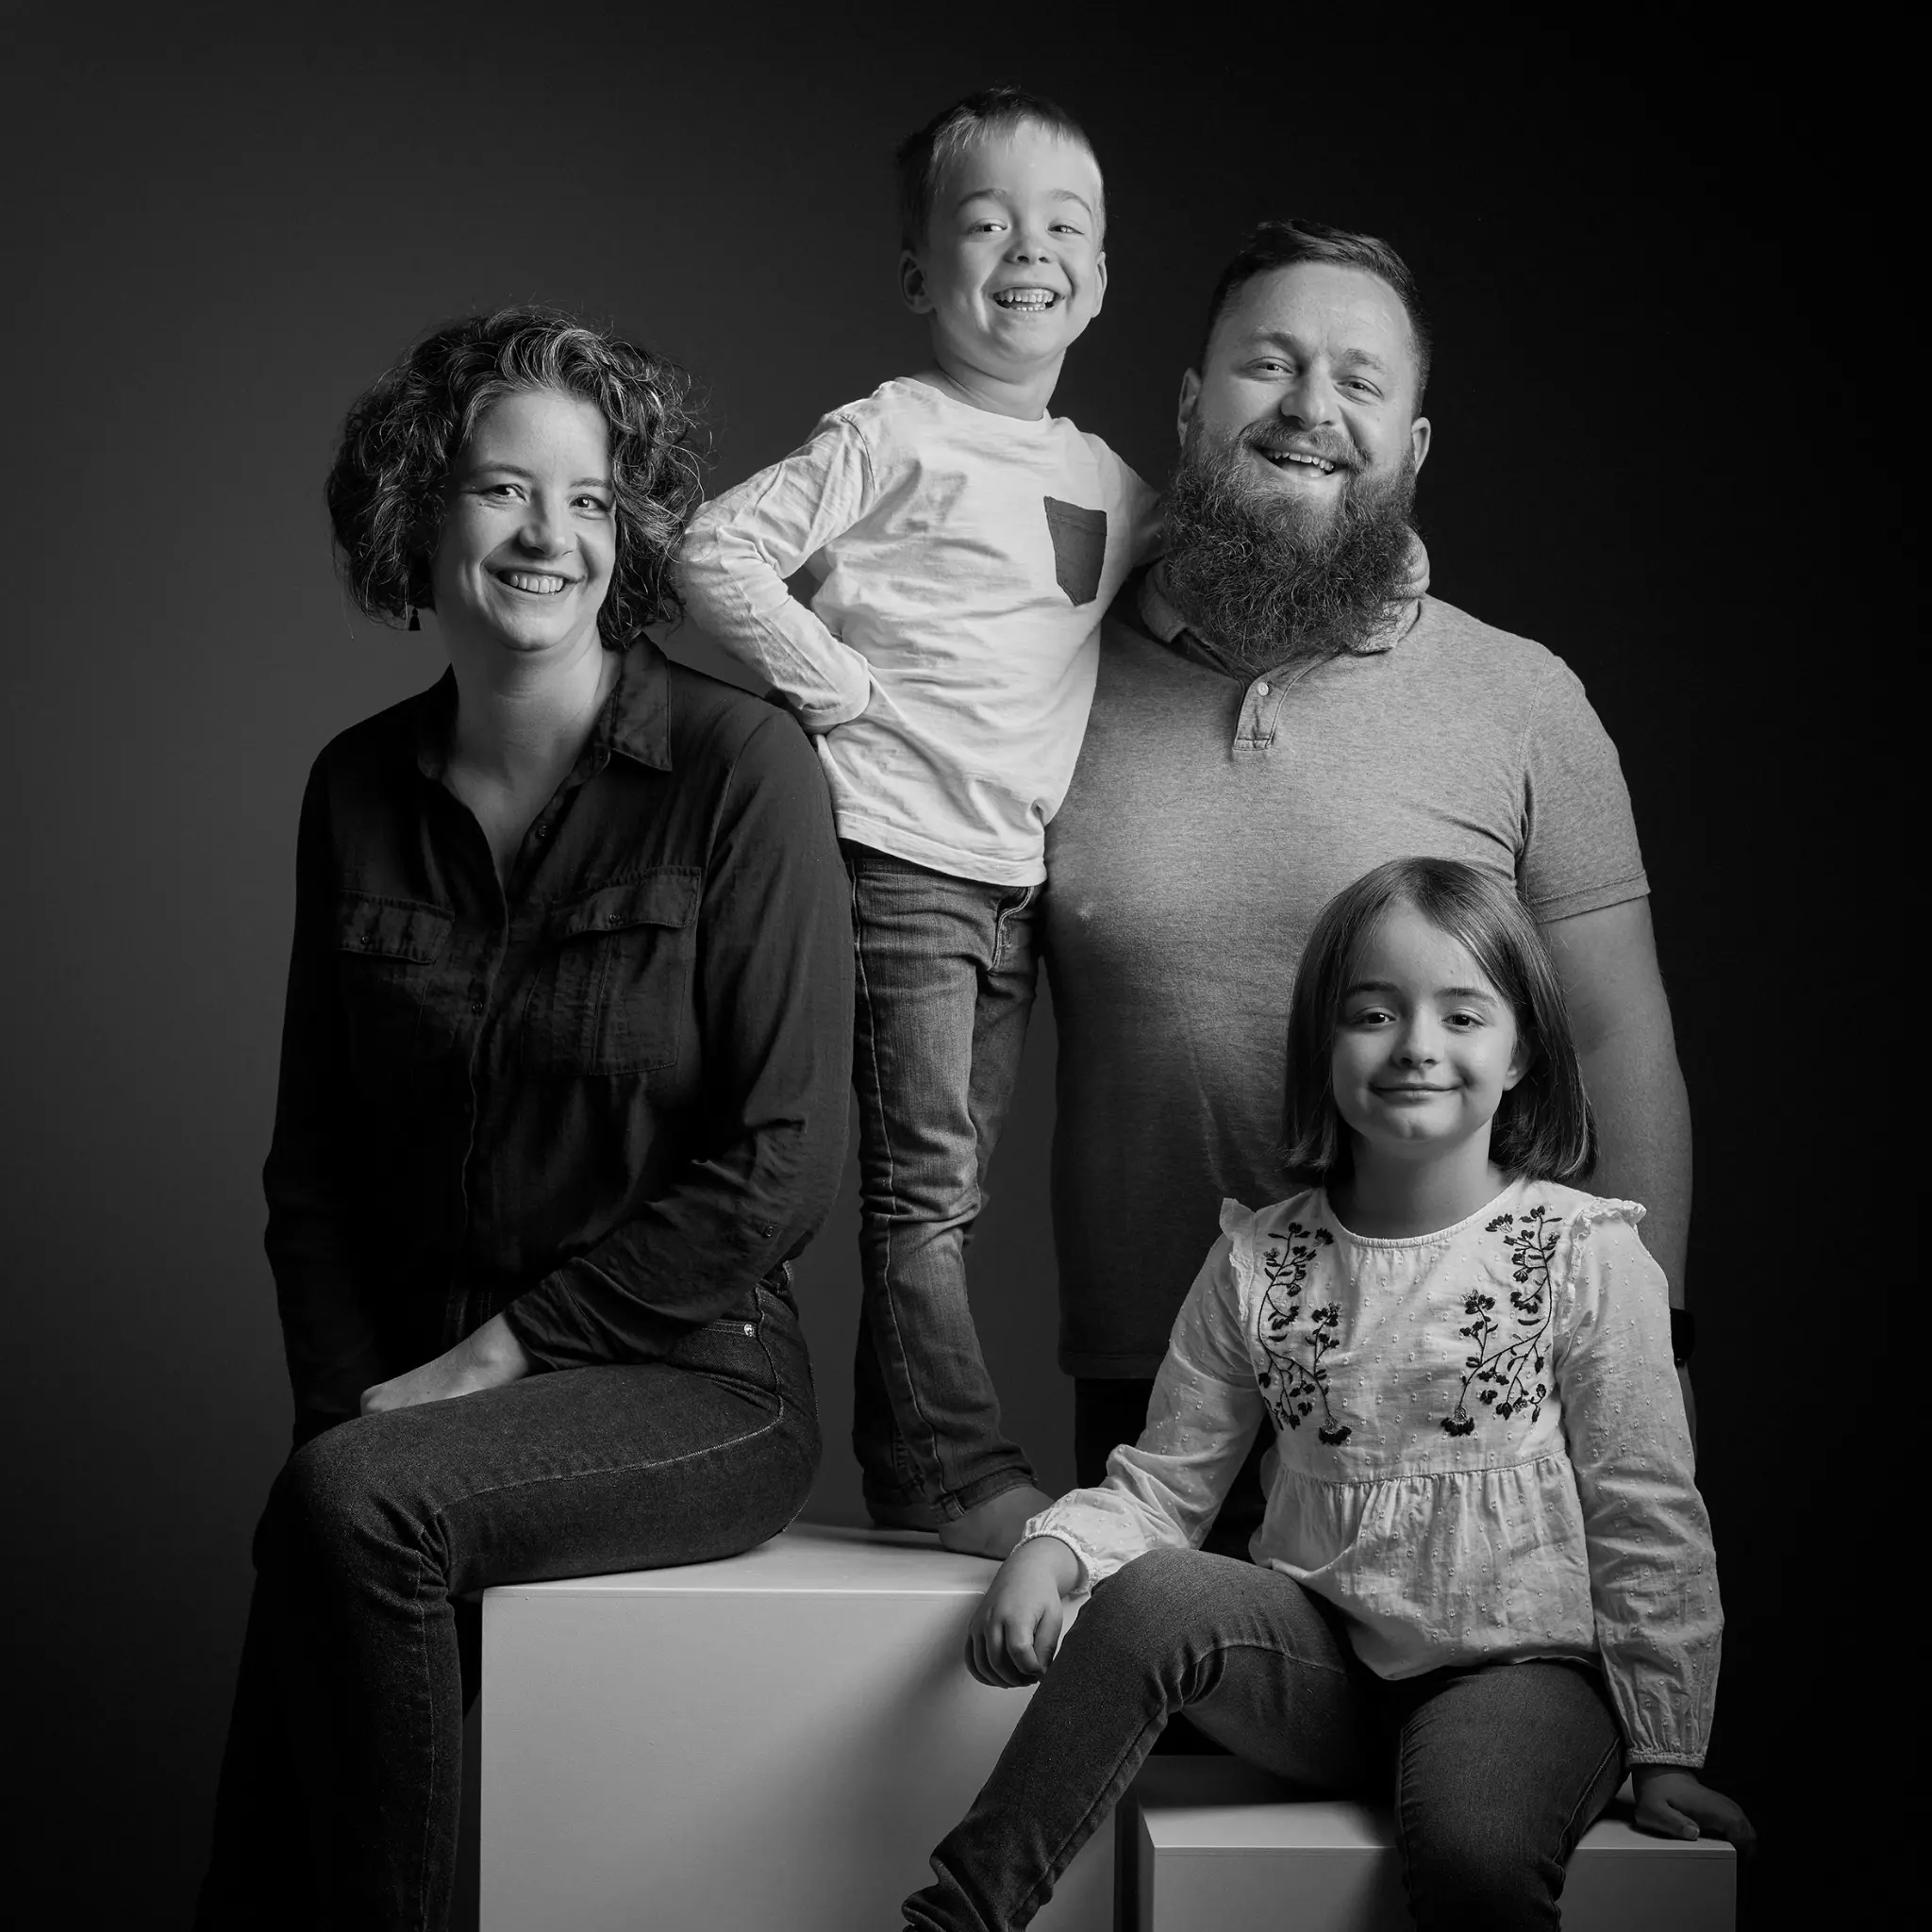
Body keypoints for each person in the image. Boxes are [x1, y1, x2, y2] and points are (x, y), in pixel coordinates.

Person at [195, 308, 853, 1931]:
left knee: (352, 1505)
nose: (546, 534)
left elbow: (780, 1165)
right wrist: (345, 1407)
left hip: (698, 1382)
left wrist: (480, 1369)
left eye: (588, 497)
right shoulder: (353, 786)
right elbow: (315, 1169)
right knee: (327, 1522)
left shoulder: (740, 765)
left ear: (627, 532)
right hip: (415, 1394)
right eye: (501, 489)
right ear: (420, 511)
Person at [903, 858, 1754, 1932]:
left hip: (1518, 1673)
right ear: (1323, 1043)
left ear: (1522, 1048)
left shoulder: (1583, 1253)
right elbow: (1167, 1486)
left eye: (1461, 1012)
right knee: (1152, 1594)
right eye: (1372, 1011)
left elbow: (1644, 1508)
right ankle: (956, 1915)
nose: (1415, 1045)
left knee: (1476, 1854)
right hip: (1325, 1675)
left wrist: (1670, 1745)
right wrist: (1055, 1548)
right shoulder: (1261, 1259)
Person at [1043, 220, 1698, 1519]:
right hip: (1157, 1390)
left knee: (1461, 1727)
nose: (1311, 410)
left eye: (1359, 380)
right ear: (1188, 405)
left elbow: (1621, 1041)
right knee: (1173, 1712)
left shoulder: (1520, 698)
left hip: (1471, 1382)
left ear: (1415, 442)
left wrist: (1646, 1365)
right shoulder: (1048, 675)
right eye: (1269, 365)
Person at [679, 88, 1158, 1557]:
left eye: (1065, 224)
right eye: (988, 219)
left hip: (1013, 880)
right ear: (918, 273)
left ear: (1101, 275)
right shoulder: (897, 428)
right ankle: (955, 1476)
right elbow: (714, 546)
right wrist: (835, 686)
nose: (1031, 247)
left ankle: (915, 1469)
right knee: (924, 1192)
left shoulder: (1108, 480)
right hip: (898, 856)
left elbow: (1208, 585)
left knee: (947, 1186)